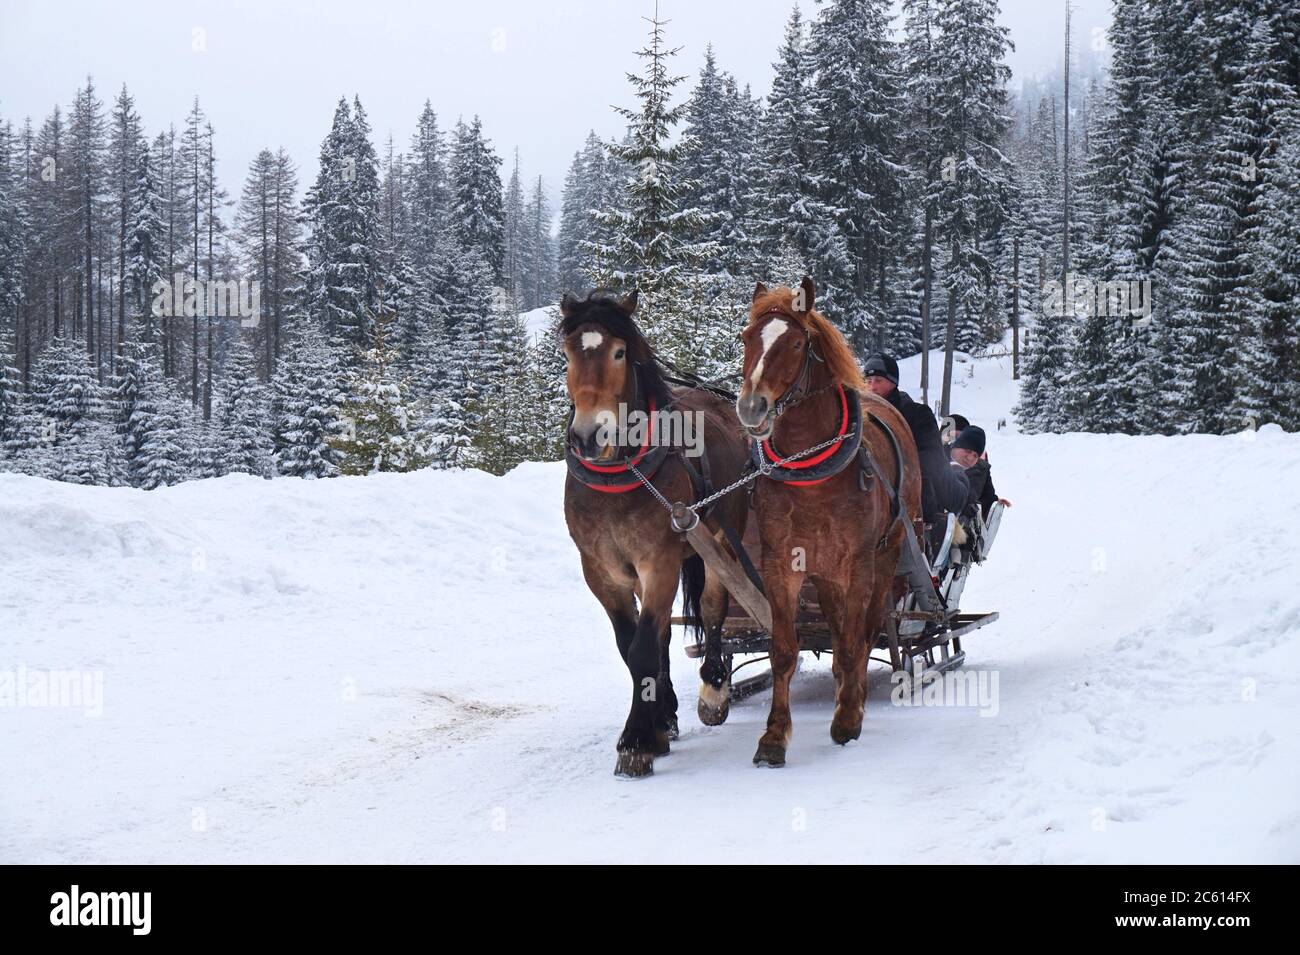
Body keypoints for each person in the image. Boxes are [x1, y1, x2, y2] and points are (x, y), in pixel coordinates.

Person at [862, 353, 969, 527]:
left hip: (917, 498)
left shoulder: (917, 414)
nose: (872, 387)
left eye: (878, 380)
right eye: (868, 381)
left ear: (893, 382)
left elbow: (932, 461)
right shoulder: (858, 416)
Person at [948, 425, 1012, 521]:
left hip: (964, 525)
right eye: (967, 451)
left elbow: (988, 496)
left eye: (975, 455)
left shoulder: (981, 470)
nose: (970, 458)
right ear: (957, 446)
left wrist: (995, 502)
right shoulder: (938, 456)